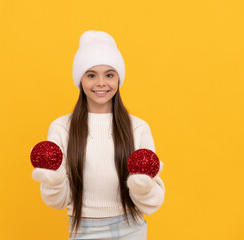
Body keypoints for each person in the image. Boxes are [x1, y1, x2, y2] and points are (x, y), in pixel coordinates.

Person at [32, 30, 165, 239]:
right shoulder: (61, 128)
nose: (101, 83)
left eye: (109, 74)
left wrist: (143, 187)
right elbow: (57, 202)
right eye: (91, 75)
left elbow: (153, 203)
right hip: (83, 230)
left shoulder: (137, 128)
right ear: (80, 80)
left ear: (118, 79)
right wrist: (54, 180)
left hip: (131, 229)